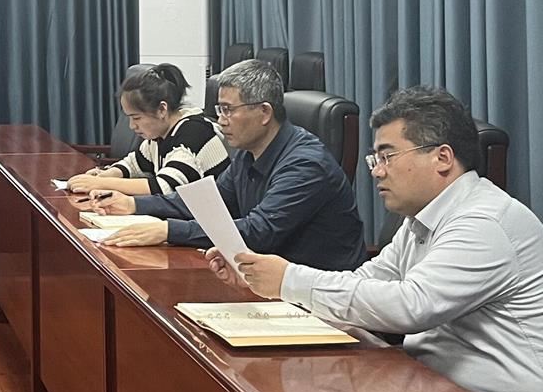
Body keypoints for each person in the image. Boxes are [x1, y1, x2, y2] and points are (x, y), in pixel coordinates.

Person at [224, 86, 543, 392]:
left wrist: (290, 280)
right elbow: (370, 280)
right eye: (375, 158)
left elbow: (411, 306)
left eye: (387, 156)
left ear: (442, 158)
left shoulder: (484, 221)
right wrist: (265, 280)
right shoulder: (423, 219)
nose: (376, 170)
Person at [92, 58, 365, 268]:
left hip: (319, 294)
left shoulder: (306, 165)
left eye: (227, 110)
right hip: (268, 279)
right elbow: (207, 203)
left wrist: (167, 230)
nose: (220, 121)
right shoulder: (248, 154)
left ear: (264, 112)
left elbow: (258, 231)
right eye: (219, 110)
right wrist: (134, 205)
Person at [68, 63, 227, 199]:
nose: (132, 126)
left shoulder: (193, 132)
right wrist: (107, 174)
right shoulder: (161, 134)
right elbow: (134, 163)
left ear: (162, 109)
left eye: (136, 118)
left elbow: (164, 187)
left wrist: (101, 183)